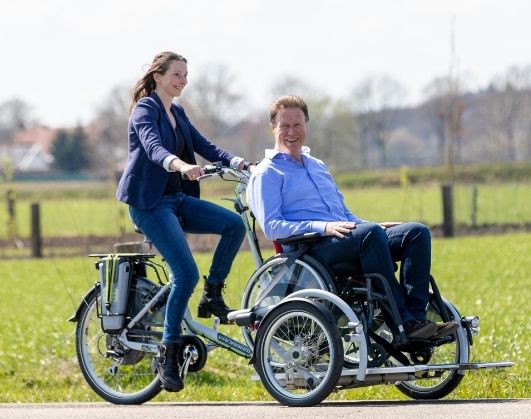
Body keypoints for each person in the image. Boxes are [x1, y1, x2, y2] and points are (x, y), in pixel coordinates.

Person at [247, 95, 457, 348]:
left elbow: (344, 214)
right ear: (274, 128)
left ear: (306, 126)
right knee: (369, 236)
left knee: (416, 232)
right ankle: (402, 322)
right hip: (311, 248)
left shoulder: (317, 166)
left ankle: (417, 319)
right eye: (285, 126)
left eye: (297, 125)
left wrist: (372, 224)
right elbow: (272, 226)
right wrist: (322, 227)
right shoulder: (267, 173)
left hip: (346, 236)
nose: (292, 132)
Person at [116, 51, 254, 392]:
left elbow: (202, 143)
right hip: (149, 204)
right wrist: (180, 166)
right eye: (177, 74)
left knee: (234, 225)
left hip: (178, 200)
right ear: (159, 76)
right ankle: (168, 352)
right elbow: (152, 148)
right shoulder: (145, 109)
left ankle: (212, 295)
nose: (182, 80)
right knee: (185, 273)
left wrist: (240, 163)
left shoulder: (176, 111)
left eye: (185, 75)